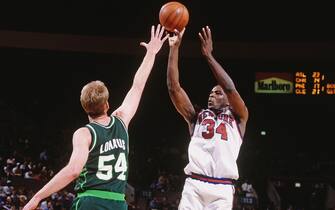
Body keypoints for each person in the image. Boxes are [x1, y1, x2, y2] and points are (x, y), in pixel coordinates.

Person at [23, 24, 168, 210]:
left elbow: (74, 170)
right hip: (117, 202)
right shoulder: (122, 120)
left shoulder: (84, 133)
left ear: (85, 108)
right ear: (107, 105)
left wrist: (37, 197)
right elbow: (138, 85)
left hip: (90, 201)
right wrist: (152, 53)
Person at [166, 26, 249, 209]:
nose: (212, 95)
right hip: (194, 184)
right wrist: (174, 48)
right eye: (211, 93)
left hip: (223, 188)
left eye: (217, 93)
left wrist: (208, 56)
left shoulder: (239, 117)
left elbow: (230, 88)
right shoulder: (197, 116)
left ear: (228, 100)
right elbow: (174, 88)